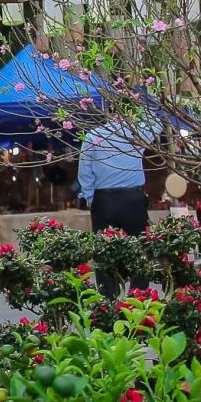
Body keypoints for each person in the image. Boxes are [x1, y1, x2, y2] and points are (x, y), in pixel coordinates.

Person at [77, 116, 157, 298]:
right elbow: (157, 122)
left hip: (104, 200)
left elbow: (84, 170)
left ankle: (108, 301)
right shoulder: (137, 132)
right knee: (141, 250)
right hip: (133, 199)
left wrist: (90, 197)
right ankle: (138, 297)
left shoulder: (93, 136)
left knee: (104, 252)